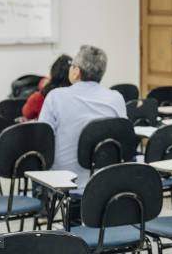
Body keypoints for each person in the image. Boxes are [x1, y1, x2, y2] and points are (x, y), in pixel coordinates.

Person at [39, 45, 126, 188]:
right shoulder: (116, 98)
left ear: (76, 72)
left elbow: (43, 139)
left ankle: (44, 209)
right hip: (105, 178)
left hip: (65, 180)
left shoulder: (56, 97)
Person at [21, 55, 72, 121]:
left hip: (48, 130)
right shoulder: (77, 96)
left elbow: (26, 113)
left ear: (52, 73)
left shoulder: (39, 96)